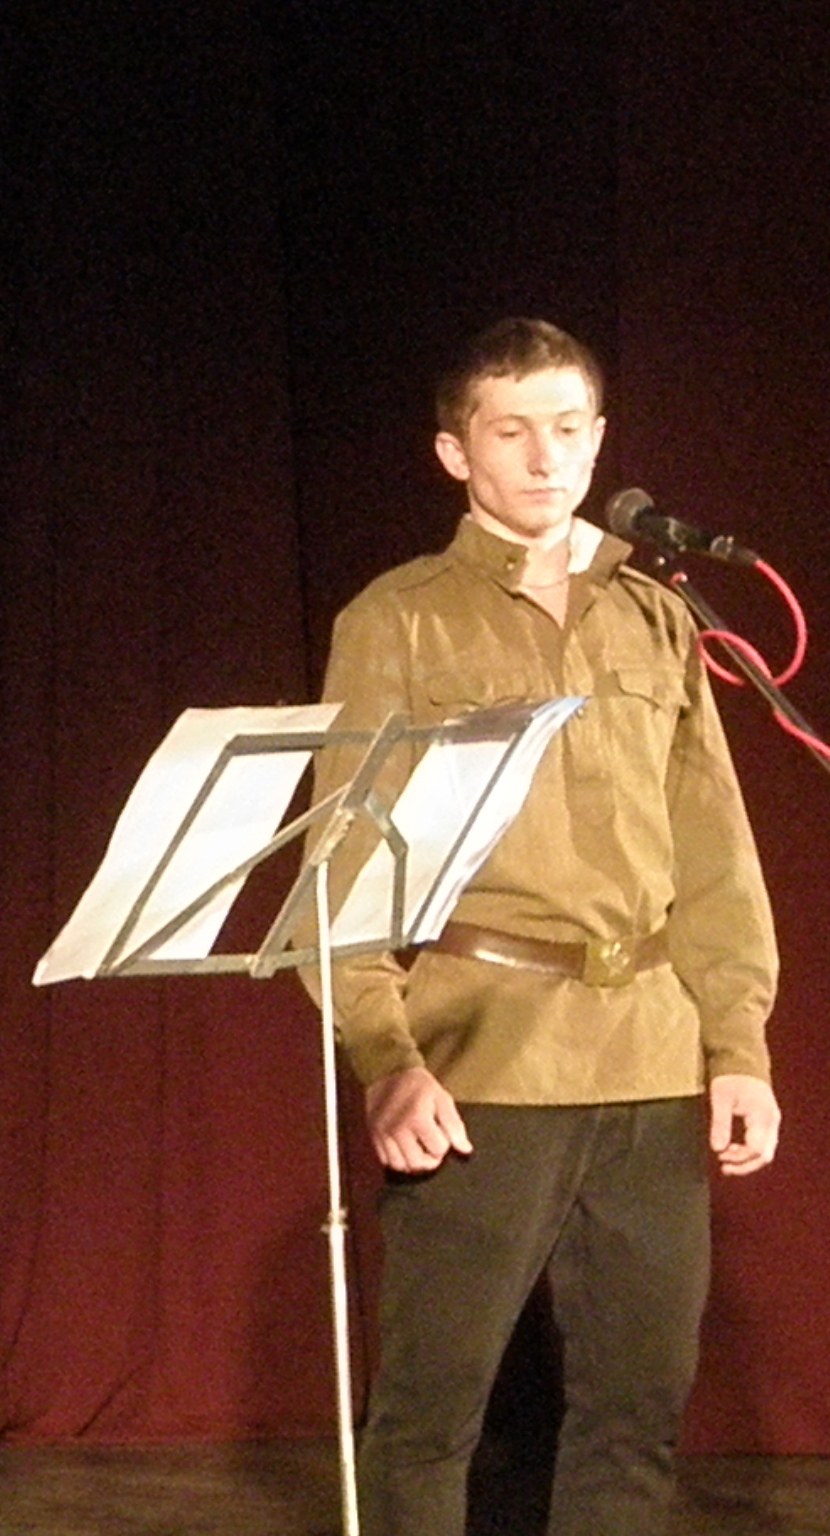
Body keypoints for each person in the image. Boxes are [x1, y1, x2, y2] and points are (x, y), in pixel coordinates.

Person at [309, 317, 780, 1535]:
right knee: (430, 1417)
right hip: (484, 1056)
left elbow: (714, 853)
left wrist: (735, 1046)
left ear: (598, 438)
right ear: (453, 452)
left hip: (650, 1056)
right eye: (510, 430)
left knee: (634, 1412)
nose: (543, 457)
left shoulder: (656, 614)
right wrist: (385, 1058)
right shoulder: (398, 619)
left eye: (566, 429)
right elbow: (339, 870)